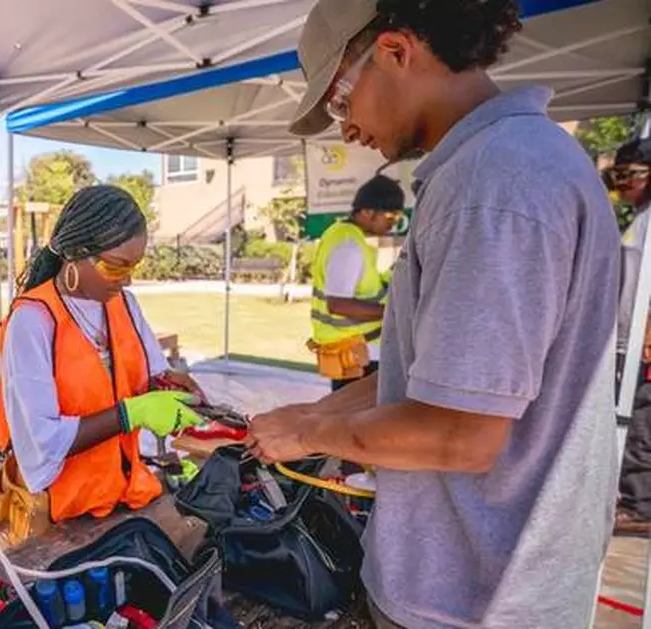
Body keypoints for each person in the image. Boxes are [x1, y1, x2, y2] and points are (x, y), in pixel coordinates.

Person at [245, 1, 619, 628]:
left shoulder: (494, 186)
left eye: (339, 102)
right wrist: (313, 413)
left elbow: (459, 434)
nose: (347, 131)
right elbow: (429, 377)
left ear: (394, 52)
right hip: (474, 584)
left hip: (473, 600)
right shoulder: (506, 165)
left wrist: (309, 437)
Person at [0, 185, 204, 534]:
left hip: (124, 500)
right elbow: (42, 439)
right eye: (115, 267)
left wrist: (172, 387)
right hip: (61, 516)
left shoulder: (125, 305)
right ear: (75, 255)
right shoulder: (33, 321)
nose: (126, 280)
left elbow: (151, 376)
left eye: (134, 266)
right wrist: (131, 413)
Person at [310, 174, 404, 390]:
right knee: (354, 420)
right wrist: (392, 310)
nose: (393, 222)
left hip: (358, 351)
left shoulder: (349, 237)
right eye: (390, 215)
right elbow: (338, 304)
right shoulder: (348, 246)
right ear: (368, 211)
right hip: (358, 354)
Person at [613, 138, 651, 535]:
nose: (621, 185)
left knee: (640, 421)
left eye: (629, 175)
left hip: (641, 342)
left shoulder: (647, 222)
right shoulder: (641, 219)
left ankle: (640, 506)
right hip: (632, 339)